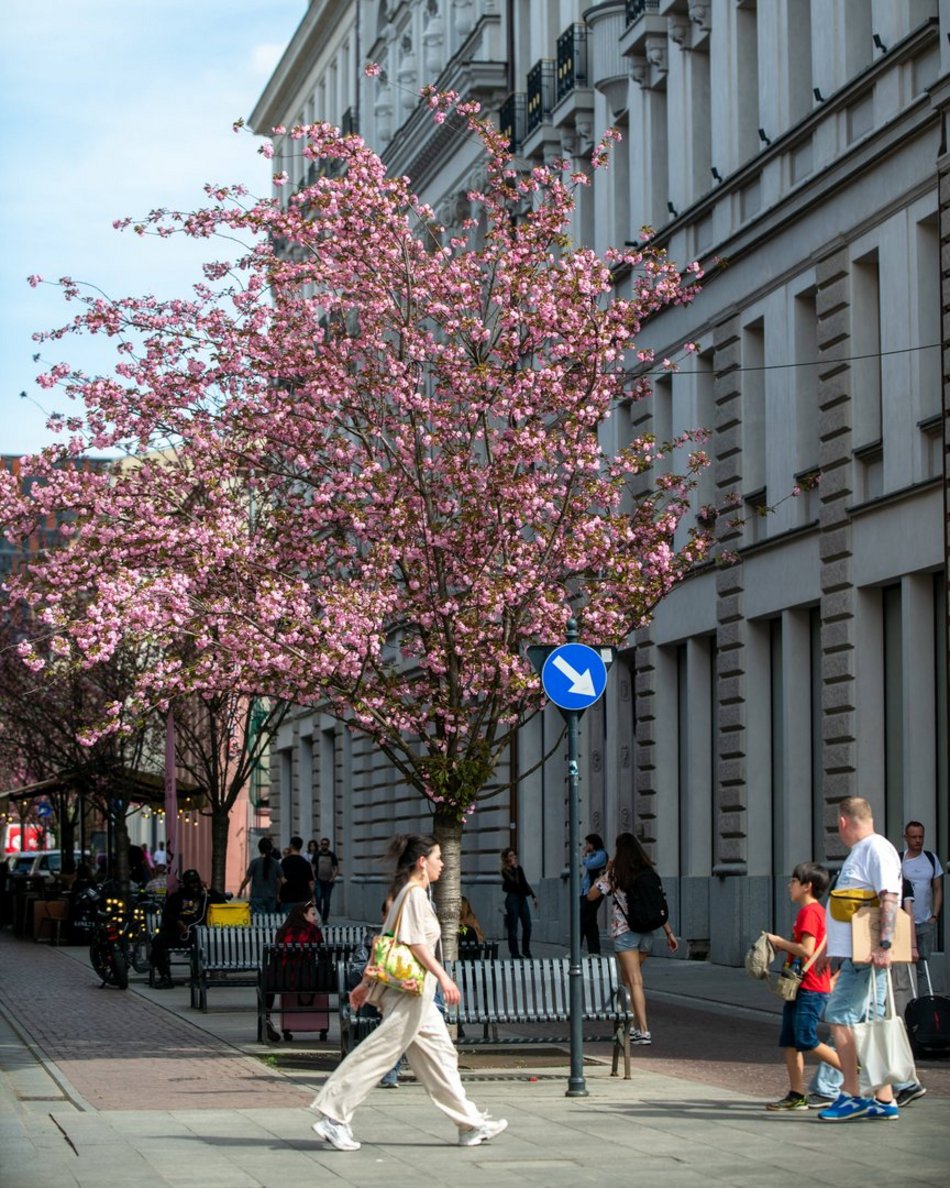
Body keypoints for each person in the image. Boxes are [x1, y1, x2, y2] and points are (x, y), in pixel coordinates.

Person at [309, 833, 508, 1152]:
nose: (442, 864)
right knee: (381, 1051)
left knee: (441, 1056)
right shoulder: (414, 895)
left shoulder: (407, 894)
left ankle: (469, 1124)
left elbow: (384, 940)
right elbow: (415, 945)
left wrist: (364, 983)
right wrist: (444, 977)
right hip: (410, 991)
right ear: (421, 862)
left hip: (416, 993)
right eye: (438, 858)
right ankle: (334, 1116)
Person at [816, 796, 902, 1122]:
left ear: (842, 822)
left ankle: (852, 1093)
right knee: (868, 1025)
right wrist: (829, 951)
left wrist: (884, 944)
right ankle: (884, 1097)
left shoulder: (876, 849)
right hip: (858, 956)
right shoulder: (862, 851)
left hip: (864, 957)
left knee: (839, 1015)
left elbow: (889, 897)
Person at [762, 862, 840, 1110]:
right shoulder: (816, 911)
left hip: (811, 987)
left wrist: (779, 942)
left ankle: (854, 1069)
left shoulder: (810, 912)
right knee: (790, 1040)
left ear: (807, 886)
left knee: (805, 1038)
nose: (789, 885)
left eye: (794, 881)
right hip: (803, 986)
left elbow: (806, 949)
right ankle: (797, 1094)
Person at [587, 832, 677, 1045]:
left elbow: (592, 895)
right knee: (628, 980)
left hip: (625, 933)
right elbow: (655, 905)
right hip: (646, 932)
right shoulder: (648, 872)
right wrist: (669, 933)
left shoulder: (616, 874)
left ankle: (644, 1031)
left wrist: (606, 871)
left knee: (634, 981)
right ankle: (636, 1027)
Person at [267, 900, 329, 1044]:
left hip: (281, 981)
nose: (316, 918)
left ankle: (266, 1017)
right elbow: (324, 957)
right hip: (310, 981)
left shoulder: (282, 931)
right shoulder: (313, 931)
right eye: (313, 914)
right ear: (303, 915)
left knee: (266, 976)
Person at [150, 869, 222, 989]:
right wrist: (177, 922)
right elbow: (167, 915)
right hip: (178, 933)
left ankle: (198, 977)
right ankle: (165, 977)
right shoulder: (177, 897)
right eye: (191, 883)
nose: (194, 885)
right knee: (158, 941)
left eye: (196, 882)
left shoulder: (206, 896)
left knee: (203, 945)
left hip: (198, 935)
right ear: (185, 884)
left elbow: (221, 904)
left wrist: (209, 891)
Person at [900, 821, 943, 988]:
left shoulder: (931, 859)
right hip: (903, 923)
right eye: (913, 837)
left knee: (923, 966)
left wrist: (934, 916)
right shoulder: (899, 859)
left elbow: (938, 888)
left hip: (925, 922)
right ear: (906, 838)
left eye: (920, 837)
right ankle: (907, 1003)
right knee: (903, 967)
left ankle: (925, 1005)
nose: (918, 840)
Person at [500, 848, 536, 958]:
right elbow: (514, 883)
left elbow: (524, 883)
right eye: (511, 856)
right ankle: (514, 953)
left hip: (522, 899)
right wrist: (515, 869)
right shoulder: (505, 871)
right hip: (512, 899)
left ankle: (526, 950)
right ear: (506, 859)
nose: (514, 857)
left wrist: (533, 896)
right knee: (513, 927)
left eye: (514, 855)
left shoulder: (519, 868)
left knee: (527, 925)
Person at [238, 837, 282, 914]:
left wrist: (240, 890)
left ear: (259, 849)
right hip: (271, 896)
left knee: (258, 920)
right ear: (271, 849)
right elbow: (280, 880)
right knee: (270, 919)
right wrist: (278, 893)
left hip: (257, 896)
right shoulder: (275, 863)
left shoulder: (254, 862)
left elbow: (247, 878)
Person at [580, 833, 608, 954]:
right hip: (586, 891)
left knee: (582, 919)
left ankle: (577, 949)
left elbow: (590, 865)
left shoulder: (601, 855)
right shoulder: (593, 855)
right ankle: (594, 951)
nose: (586, 846)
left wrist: (584, 855)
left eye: (587, 843)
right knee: (590, 922)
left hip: (595, 892)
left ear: (593, 843)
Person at [280, 836, 314, 915]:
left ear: (291, 845)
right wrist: (311, 895)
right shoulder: (305, 863)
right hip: (303, 897)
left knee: (288, 921)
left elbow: (280, 880)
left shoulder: (285, 862)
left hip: (287, 897)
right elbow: (311, 883)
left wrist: (278, 893)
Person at [313, 837, 340, 923]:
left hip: (329, 881)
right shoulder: (317, 854)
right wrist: (314, 878)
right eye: (322, 844)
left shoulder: (332, 855)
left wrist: (333, 877)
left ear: (328, 845)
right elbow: (313, 866)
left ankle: (325, 919)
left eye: (326, 844)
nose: (324, 846)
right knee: (318, 900)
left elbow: (336, 867)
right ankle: (319, 917)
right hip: (319, 881)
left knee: (327, 901)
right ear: (320, 845)